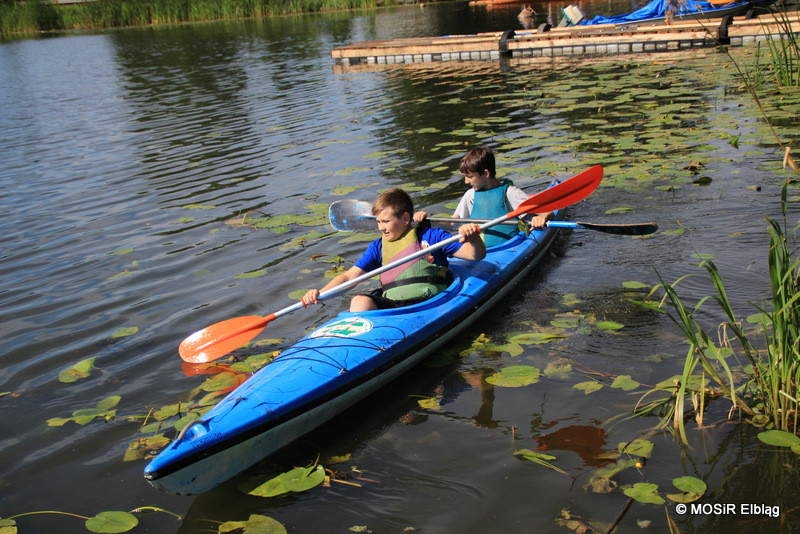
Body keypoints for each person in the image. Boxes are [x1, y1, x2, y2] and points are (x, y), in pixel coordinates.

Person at [302, 188, 485, 312]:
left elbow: (474, 255)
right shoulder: (378, 247)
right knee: (359, 301)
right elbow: (349, 277)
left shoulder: (432, 236)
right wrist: (321, 293)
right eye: (378, 222)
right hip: (394, 306)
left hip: (430, 303)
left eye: (386, 221)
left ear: (405, 219)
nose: (381, 227)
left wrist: (474, 239)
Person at [415, 146, 554, 248]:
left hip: (508, 249)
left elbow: (549, 212)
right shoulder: (470, 195)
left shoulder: (510, 193)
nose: (466, 181)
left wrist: (542, 217)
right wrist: (426, 221)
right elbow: (453, 223)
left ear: (485, 174)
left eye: (470, 176)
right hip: (477, 252)